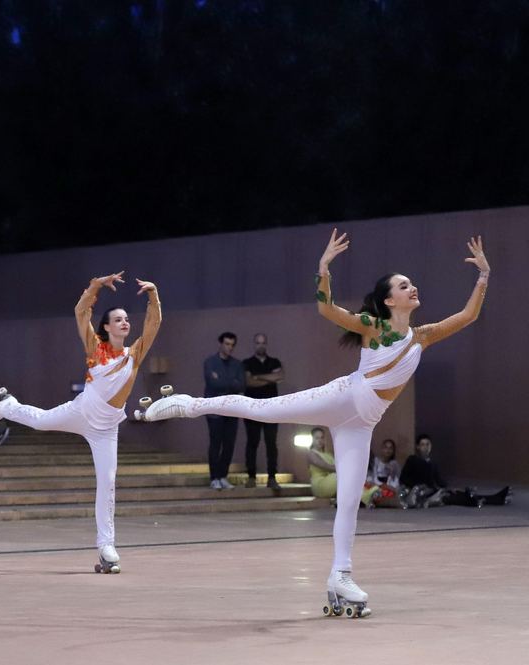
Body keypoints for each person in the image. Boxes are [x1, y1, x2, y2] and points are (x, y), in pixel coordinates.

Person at [140, 230, 491, 617]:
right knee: (260, 410)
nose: (413, 288)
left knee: (349, 502)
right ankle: (187, 404)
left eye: (411, 284)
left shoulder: (421, 336)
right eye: (404, 285)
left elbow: (469, 315)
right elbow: (327, 310)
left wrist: (483, 276)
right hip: (341, 398)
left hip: (361, 425)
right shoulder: (375, 327)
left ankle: (340, 575)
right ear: (389, 299)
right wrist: (323, 269)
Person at [0, 272, 161, 573]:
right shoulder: (96, 347)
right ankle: (9, 407)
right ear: (106, 327)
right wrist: (94, 286)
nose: (124, 322)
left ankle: (107, 547)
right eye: (117, 319)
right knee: (40, 421)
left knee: (107, 483)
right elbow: (81, 312)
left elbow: (154, 324)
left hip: (106, 429)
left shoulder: (135, 354)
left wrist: (154, 295)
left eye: (126, 319)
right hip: (81, 411)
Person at [400, 434, 511, 509]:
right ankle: (481, 500)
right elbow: (404, 478)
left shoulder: (432, 463)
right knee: (451, 497)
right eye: (423, 444)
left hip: (433, 490)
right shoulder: (413, 460)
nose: (425, 447)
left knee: (455, 493)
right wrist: (417, 486)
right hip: (421, 493)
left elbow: (439, 480)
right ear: (418, 447)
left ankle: (494, 498)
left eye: (428, 444)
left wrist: (449, 487)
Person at [204, 332, 245, 490]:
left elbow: (241, 385)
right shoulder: (210, 362)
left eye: (232, 345)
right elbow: (213, 383)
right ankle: (214, 477)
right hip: (214, 409)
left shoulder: (237, 364)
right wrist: (231, 382)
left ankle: (223, 476)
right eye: (227, 344)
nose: (229, 348)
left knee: (229, 444)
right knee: (215, 443)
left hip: (232, 409)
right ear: (220, 344)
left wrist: (222, 380)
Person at [243, 333, 284, 490]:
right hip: (251, 408)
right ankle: (251, 477)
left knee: (271, 444)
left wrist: (258, 377)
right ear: (254, 344)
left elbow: (280, 376)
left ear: (266, 344)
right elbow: (249, 382)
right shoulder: (247, 363)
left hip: (272, 409)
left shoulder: (274, 361)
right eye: (258, 343)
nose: (261, 345)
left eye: (263, 343)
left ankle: (272, 478)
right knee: (252, 443)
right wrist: (269, 378)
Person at [307, 427, 382, 505]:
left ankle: (366, 495)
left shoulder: (328, 454)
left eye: (322, 438)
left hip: (332, 481)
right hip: (320, 485)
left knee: (347, 478)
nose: (320, 440)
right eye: (317, 438)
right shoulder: (311, 453)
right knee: (341, 477)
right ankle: (368, 496)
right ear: (312, 439)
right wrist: (344, 470)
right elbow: (326, 466)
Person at [365, 438, 401, 508]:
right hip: (375, 486)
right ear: (382, 449)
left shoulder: (394, 464)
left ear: (393, 451)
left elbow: (396, 483)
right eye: (386, 447)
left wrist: (391, 474)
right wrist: (384, 486)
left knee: (390, 493)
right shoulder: (376, 461)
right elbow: (374, 479)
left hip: (387, 490)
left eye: (390, 448)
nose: (388, 450)